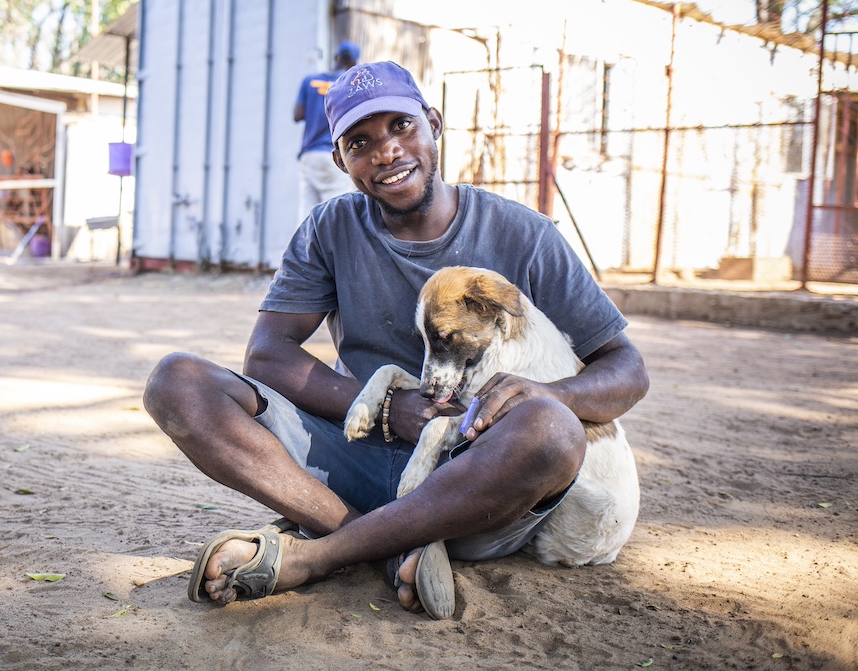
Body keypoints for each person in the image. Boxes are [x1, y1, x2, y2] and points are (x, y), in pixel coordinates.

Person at [143, 60, 649, 618]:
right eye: (361, 142)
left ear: (433, 123)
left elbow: (625, 368)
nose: (386, 152)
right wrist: (389, 411)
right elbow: (267, 355)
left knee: (552, 430)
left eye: (401, 127)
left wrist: (546, 393)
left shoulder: (523, 234)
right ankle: (385, 545)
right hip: (357, 456)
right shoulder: (328, 229)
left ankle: (317, 555)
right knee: (178, 383)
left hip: (475, 482)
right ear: (341, 160)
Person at [293, 41, 360, 219]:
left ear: (336, 57)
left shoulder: (310, 81)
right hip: (333, 158)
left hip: (309, 155)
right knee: (338, 216)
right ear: (353, 63)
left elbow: (297, 115)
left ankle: (304, 247)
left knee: (307, 215)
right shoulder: (347, 85)